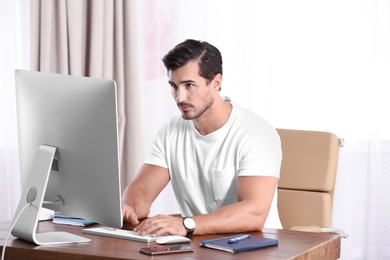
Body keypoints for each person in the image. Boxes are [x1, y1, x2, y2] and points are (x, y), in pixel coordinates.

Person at [122, 39, 282, 237]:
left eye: (189, 85)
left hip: (256, 246)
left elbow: (254, 213)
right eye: (174, 86)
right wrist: (127, 206)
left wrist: (186, 224)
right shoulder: (170, 131)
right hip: (199, 244)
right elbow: (143, 191)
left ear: (216, 83)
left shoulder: (256, 132)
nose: (179, 97)